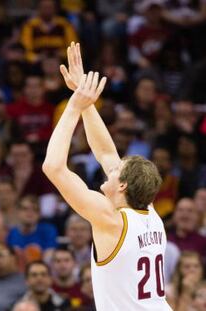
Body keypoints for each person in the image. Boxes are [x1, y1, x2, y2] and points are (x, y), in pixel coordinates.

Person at [42, 42, 172, 310]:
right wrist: (86, 98)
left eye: (116, 171)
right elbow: (105, 150)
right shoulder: (148, 211)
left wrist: (74, 106)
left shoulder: (111, 220)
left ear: (122, 185)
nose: (111, 168)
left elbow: (53, 167)